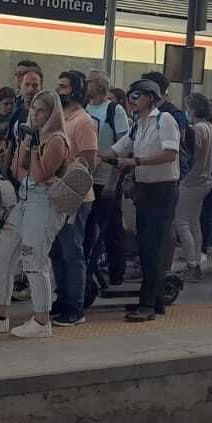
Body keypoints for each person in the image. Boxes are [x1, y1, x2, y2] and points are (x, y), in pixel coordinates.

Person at [0, 89, 70, 338]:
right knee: (3, 254)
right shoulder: (31, 134)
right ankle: (0, 315)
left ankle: (41, 320)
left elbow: (38, 174)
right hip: (25, 200)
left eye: (41, 110)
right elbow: (17, 170)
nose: (35, 115)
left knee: (34, 261)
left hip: (44, 205)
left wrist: (34, 148)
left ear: (52, 113)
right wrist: (25, 145)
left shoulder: (56, 139)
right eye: (33, 109)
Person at [108, 79, 181, 322]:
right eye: (130, 95)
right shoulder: (138, 124)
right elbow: (118, 149)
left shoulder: (165, 120)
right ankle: (156, 301)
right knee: (145, 246)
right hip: (145, 189)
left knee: (152, 247)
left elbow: (170, 155)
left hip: (163, 190)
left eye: (137, 95)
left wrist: (135, 162)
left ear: (152, 97)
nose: (132, 99)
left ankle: (147, 304)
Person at [49, 71, 98, 326]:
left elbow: (90, 160)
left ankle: (75, 306)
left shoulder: (83, 122)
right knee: (57, 250)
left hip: (76, 195)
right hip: (58, 192)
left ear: (76, 90)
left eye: (64, 86)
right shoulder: (61, 119)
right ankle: (62, 297)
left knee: (72, 251)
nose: (60, 90)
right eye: (59, 86)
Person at [84, 70, 130, 290]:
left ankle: (116, 271)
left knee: (110, 226)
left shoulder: (114, 110)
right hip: (86, 178)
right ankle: (86, 267)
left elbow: (124, 145)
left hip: (106, 178)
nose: (86, 85)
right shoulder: (84, 108)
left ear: (100, 85)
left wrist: (114, 175)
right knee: (86, 226)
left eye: (89, 81)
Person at [174, 92, 212, 284]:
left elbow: (192, 154)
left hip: (191, 181)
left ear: (192, 109)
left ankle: (192, 265)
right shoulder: (211, 128)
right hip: (205, 180)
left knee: (181, 223)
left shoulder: (197, 130)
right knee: (194, 223)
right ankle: (197, 262)